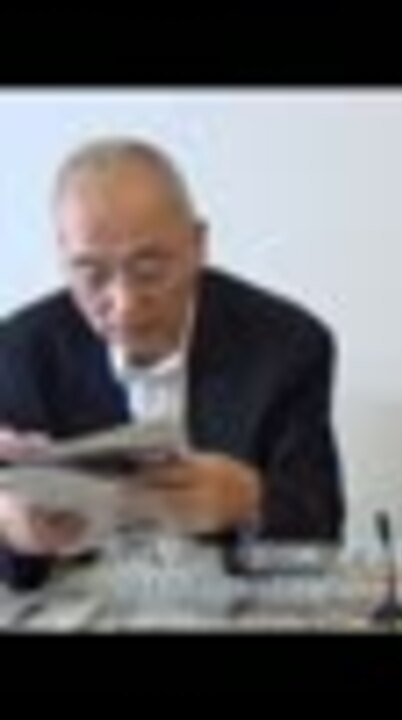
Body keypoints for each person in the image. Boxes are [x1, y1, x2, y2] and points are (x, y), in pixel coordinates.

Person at [0, 137, 344, 588]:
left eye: (149, 271)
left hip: (233, 599)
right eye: (93, 275)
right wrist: (10, 529)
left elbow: (322, 535)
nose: (124, 303)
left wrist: (250, 501)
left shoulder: (286, 346)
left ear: (198, 245)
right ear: (63, 260)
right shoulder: (19, 352)